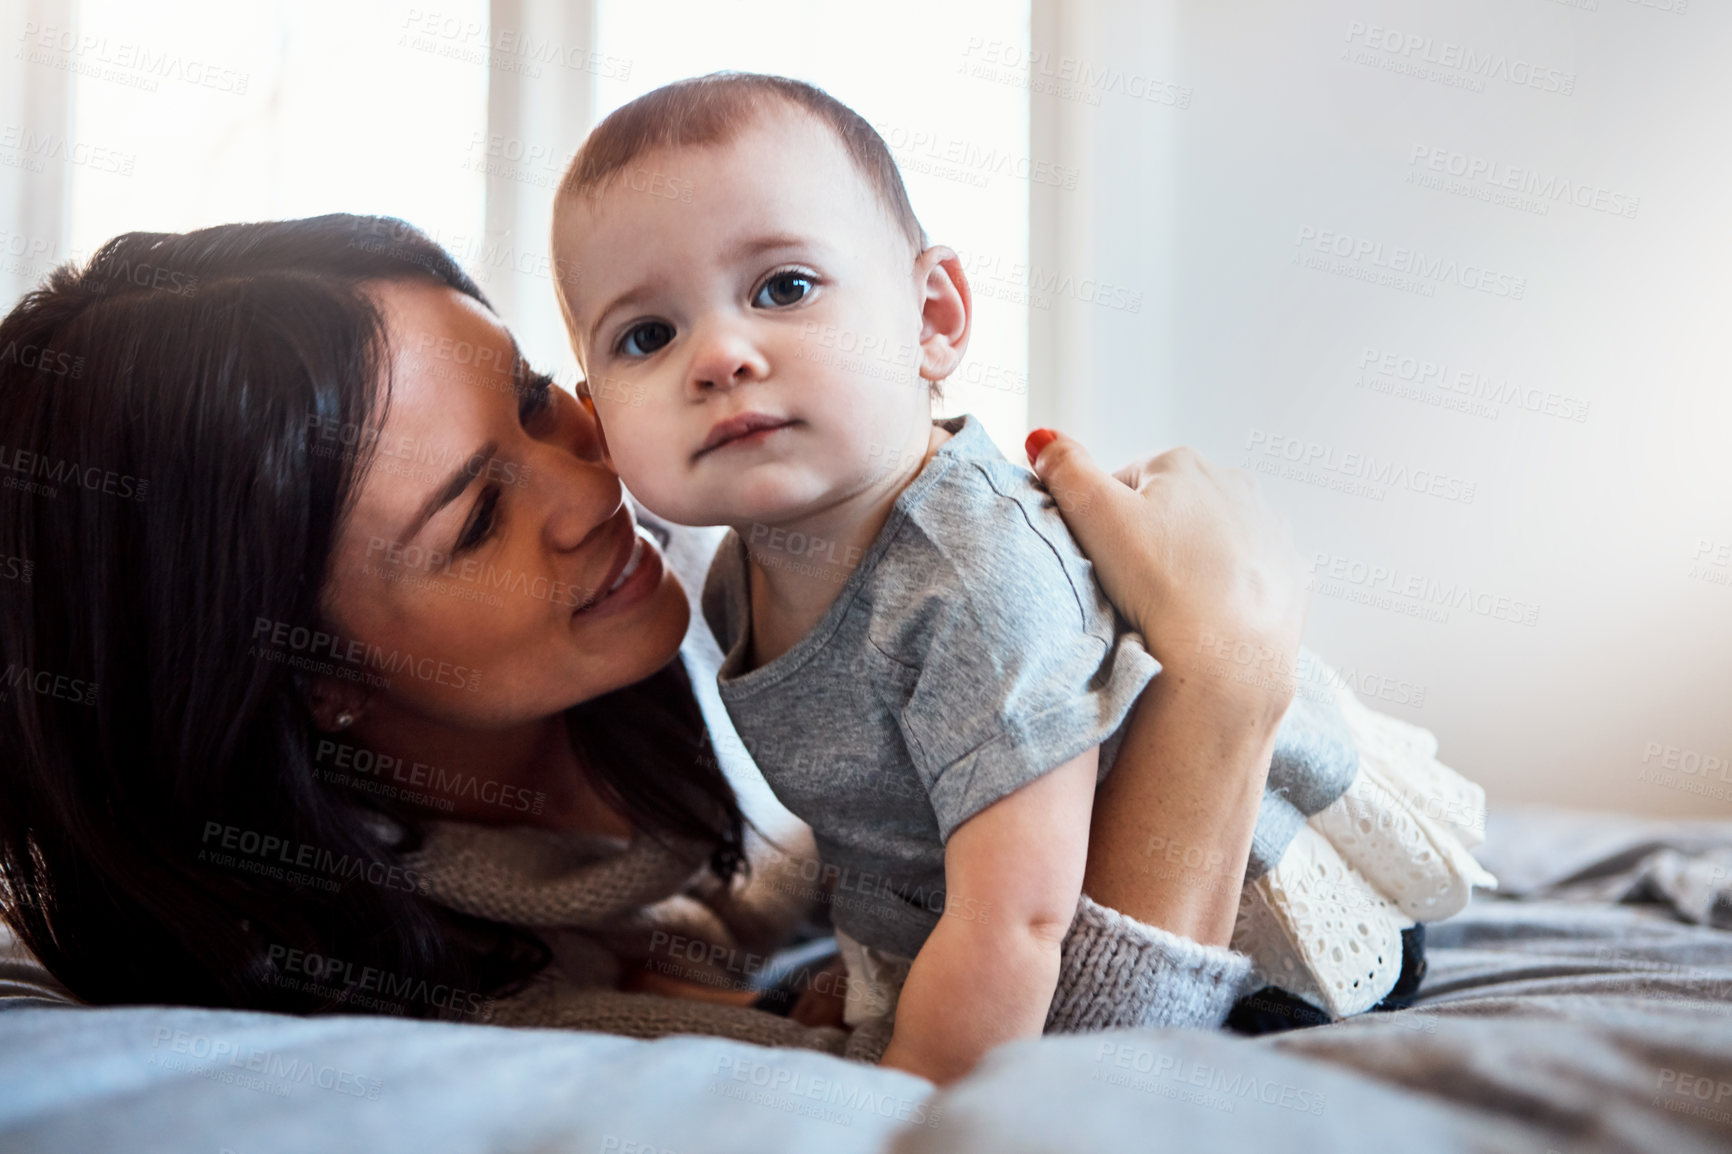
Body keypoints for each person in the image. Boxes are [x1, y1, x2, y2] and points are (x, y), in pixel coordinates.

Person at [0, 210, 1385, 1067]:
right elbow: (1052, 1080)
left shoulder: (724, 612)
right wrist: (1227, 673)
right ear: (306, 690)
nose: (598, 482)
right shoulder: (482, 1013)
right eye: (477, 515)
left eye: (543, 403)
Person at [548, 74, 1491, 1079]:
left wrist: (917, 1091)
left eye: (784, 286)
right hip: (1007, 902)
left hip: (1234, 925)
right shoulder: (736, 577)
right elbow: (889, 819)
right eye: (647, 334)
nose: (721, 355)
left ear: (933, 318)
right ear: (600, 422)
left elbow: (1026, 916)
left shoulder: (973, 581)